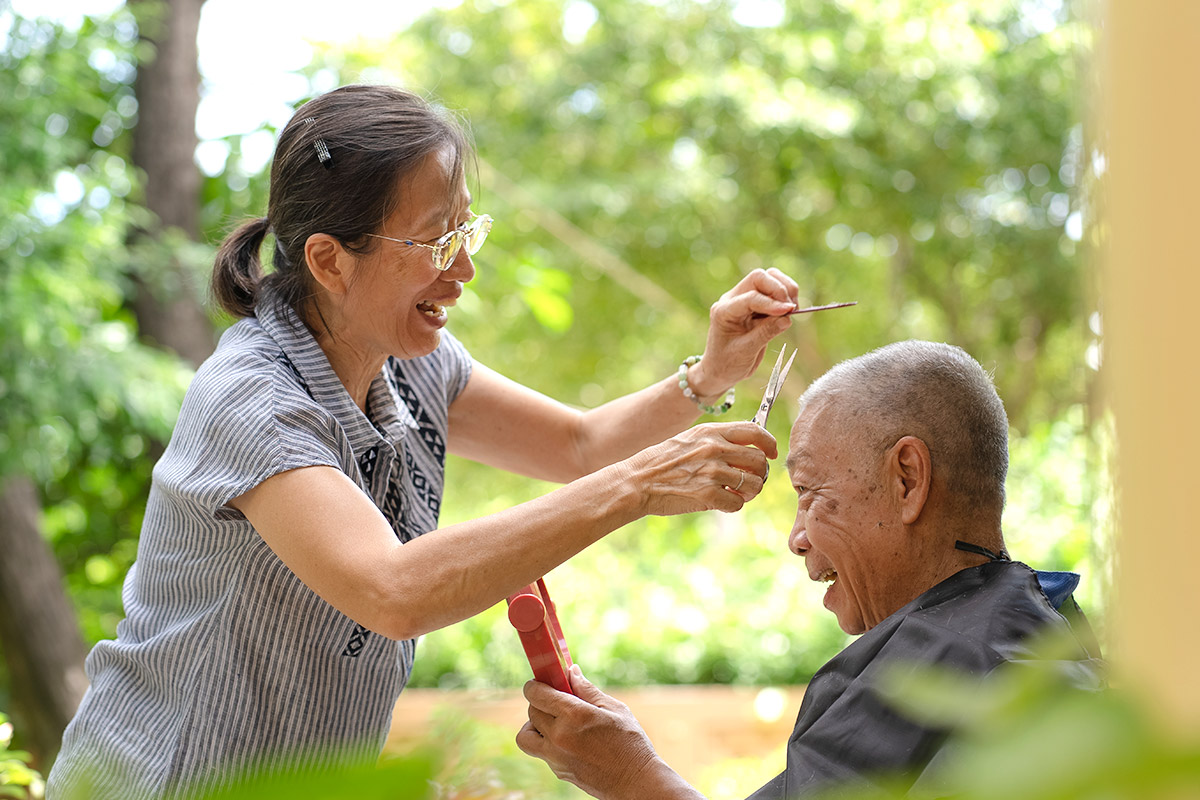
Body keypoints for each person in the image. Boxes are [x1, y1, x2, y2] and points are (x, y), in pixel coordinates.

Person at [47, 84, 801, 800]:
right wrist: (638, 487)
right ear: (329, 261)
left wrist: (708, 374)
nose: (465, 269)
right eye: (437, 241)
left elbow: (577, 444)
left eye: (466, 230)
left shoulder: (416, 363)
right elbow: (394, 592)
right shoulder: (252, 398)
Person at [517, 340, 1105, 800]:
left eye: (809, 493)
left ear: (907, 479)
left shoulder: (944, 663)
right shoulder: (1032, 626)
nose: (796, 539)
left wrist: (628, 775)